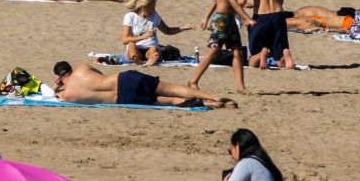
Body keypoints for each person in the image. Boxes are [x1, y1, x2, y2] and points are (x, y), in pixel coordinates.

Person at [52, 60, 236, 109]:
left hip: (124, 98)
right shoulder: (83, 68)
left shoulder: (68, 95)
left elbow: (54, 96)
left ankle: (212, 105)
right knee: (172, 88)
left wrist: (56, 88)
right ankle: (213, 96)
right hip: (124, 79)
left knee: (170, 101)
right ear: (70, 67)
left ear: (59, 77)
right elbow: (101, 74)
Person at [120, 0, 184, 64]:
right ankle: (137, 60)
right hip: (136, 48)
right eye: (152, 8)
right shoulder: (130, 16)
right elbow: (124, 40)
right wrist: (143, 37)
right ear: (144, 7)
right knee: (131, 44)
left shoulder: (155, 16)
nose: (154, 10)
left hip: (150, 47)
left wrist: (182, 28)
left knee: (154, 48)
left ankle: (151, 60)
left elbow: (167, 30)